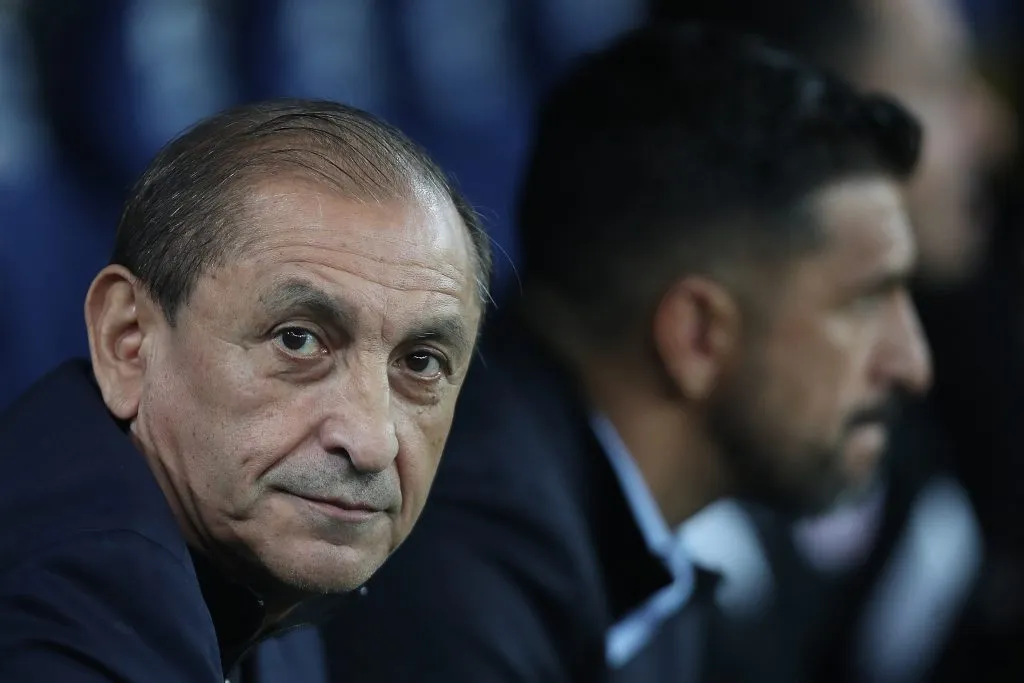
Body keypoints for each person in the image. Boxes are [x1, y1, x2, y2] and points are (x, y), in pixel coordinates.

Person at [322, 23, 930, 683]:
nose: (911, 363)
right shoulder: (458, 561)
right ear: (696, 335)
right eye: (867, 302)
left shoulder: (609, 539)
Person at [0, 98, 491, 682]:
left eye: (420, 361)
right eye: (298, 341)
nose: (371, 441)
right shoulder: (65, 608)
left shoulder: (258, 573)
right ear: (127, 341)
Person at [649, 2, 1021, 681]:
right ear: (805, 112)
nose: (992, 130)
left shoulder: (944, 425)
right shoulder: (592, 498)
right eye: (942, 81)